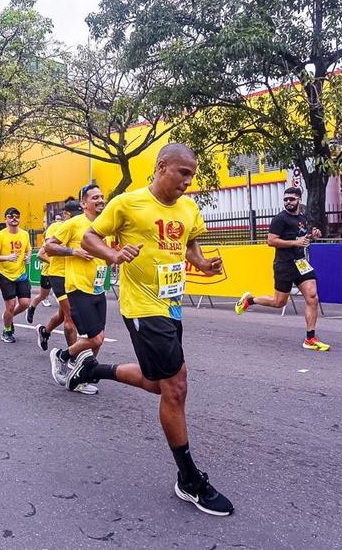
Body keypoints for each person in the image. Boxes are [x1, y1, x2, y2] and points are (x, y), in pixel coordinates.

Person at [74, 143, 234, 516]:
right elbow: (89, 238)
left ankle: (95, 369)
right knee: (176, 387)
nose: (188, 182)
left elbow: (189, 245)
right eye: (183, 173)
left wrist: (203, 264)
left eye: (192, 176)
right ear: (162, 167)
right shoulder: (127, 204)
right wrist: (112, 255)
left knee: (157, 383)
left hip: (171, 303)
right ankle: (189, 479)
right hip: (143, 307)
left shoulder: (189, 208)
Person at [233, 186, 329, 351]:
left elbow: (301, 236)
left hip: (300, 262)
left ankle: (310, 339)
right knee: (279, 302)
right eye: (285, 199)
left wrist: (313, 235)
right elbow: (271, 241)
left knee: (312, 296)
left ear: (299, 199)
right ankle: (249, 300)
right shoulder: (280, 219)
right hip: (284, 264)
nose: (288, 202)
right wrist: (295, 243)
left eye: (291, 199)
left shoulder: (302, 218)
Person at [48, 186, 108, 395]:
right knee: (95, 338)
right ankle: (63, 356)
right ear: (83, 203)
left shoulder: (105, 225)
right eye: (95, 198)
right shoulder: (73, 224)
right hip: (78, 287)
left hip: (98, 287)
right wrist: (74, 251)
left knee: (99, 338)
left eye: (102, 197)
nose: (100, 200)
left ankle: (77, 373)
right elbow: (49, 247)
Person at [36, 204, 79, 353]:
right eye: (72, 214)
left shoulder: (84, 225)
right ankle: (73, 356)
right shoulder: (56, 228)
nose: (76, 217)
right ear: (66, 214)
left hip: (75, 274)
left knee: (62, 314)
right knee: (70, 316)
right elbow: (46, 249)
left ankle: (45, 332)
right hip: (59, 275)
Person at [0, 207, 31, 343]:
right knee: (10, 305)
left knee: (24, 304)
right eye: (11, 216)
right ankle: (7, 330)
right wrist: (7, 257)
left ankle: (8, 317)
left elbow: (28, 250)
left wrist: (28, 257)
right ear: (6, 219)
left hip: (21, 274)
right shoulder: (0, 235)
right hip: (5, 275)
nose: (14, 218)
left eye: (17, 216)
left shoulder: (24, 234)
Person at [27, 211, 64, 325]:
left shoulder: (65, 234)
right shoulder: (50, 236)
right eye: (56, 220)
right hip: (47, 272)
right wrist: (52, 262)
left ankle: (66, 318)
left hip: (60, 273)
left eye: (60, 219)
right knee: (43, 295)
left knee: (65, 299)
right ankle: (31, 307)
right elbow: (40, 255)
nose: (58, 222)